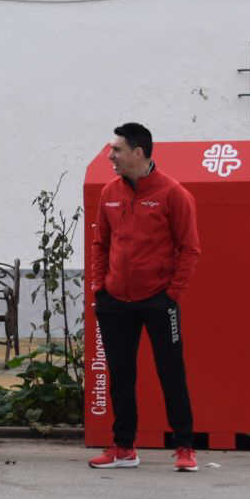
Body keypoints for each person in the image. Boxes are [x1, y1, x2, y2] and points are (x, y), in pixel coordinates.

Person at [85, 122, 201, 472]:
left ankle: (185, 447)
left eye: (116, 150)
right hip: (115, 300)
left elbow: (190, 249)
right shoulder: (109, 192)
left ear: (138, 153)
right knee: (121, 376)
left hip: (158, 300)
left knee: (171, 373)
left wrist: (171, 294)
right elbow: (100, 243)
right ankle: (124, 448)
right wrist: (99, 288)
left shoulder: (173, 194)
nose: (110, 156)